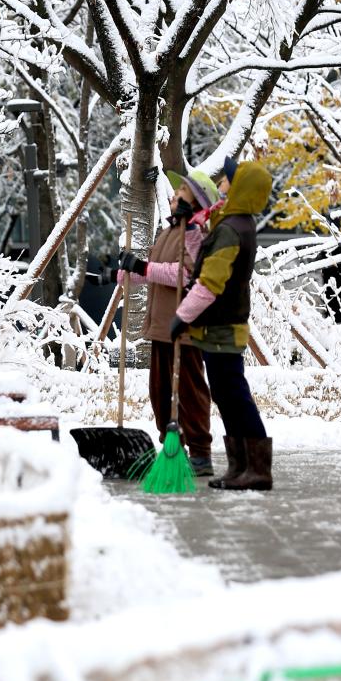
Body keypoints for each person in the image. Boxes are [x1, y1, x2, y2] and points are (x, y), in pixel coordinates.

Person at [169, 157, 274, 491]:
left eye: (228, 179)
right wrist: (190, 229)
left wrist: (182, 316)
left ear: (240, 187)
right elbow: (204, 260)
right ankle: (240, 467)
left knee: (234, 397)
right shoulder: (232, 223)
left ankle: (255, 469)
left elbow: (210, 282)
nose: (223, 184)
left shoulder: (232, 228)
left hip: (224, 326)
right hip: (221, 326)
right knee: (227, 397)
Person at [113, 170, 219, 476]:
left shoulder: (196, 234)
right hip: (160, 325)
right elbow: (151, 272)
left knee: (189, 390)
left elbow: (185, 274)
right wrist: (122, 272)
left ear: (195, 201)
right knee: (159, 391)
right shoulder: (168, 231)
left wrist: (144, 266)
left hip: (183, 327)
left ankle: (200, 451)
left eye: (182, 191)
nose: (173, 195)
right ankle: (173, 446)